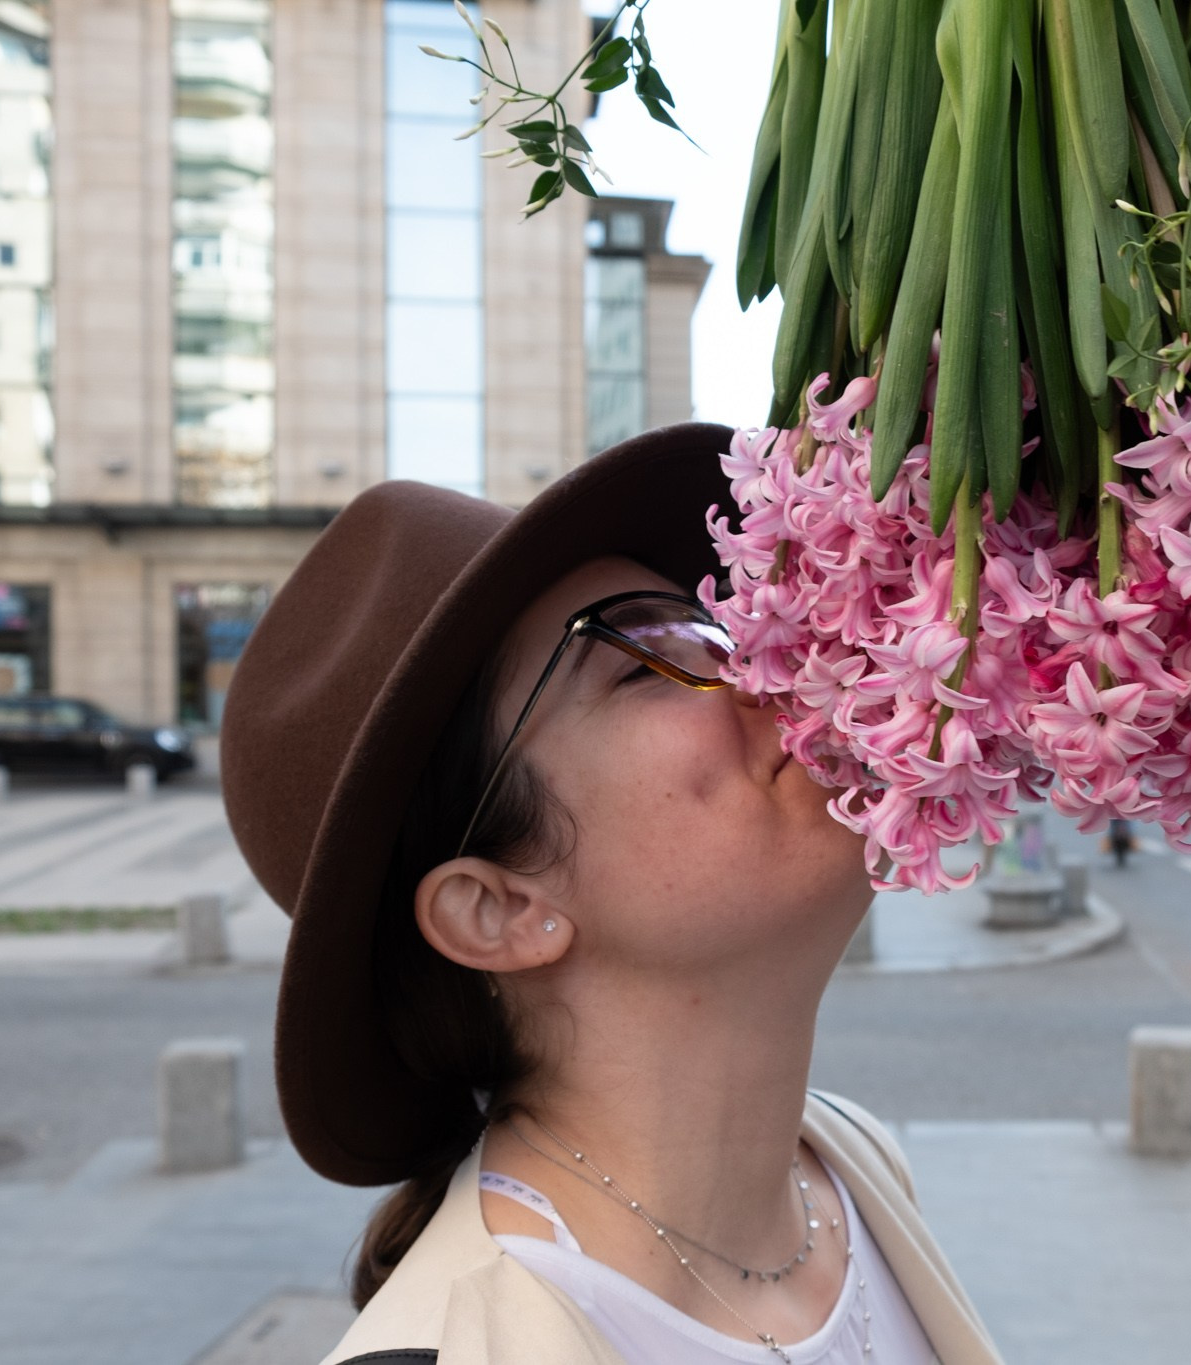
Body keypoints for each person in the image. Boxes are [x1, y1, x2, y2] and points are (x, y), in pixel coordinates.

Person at [221, 423, 1002, 1365]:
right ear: (500, 910)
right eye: (645, 661)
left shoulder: (851, 1170)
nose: (774, 669)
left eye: (715, 628)